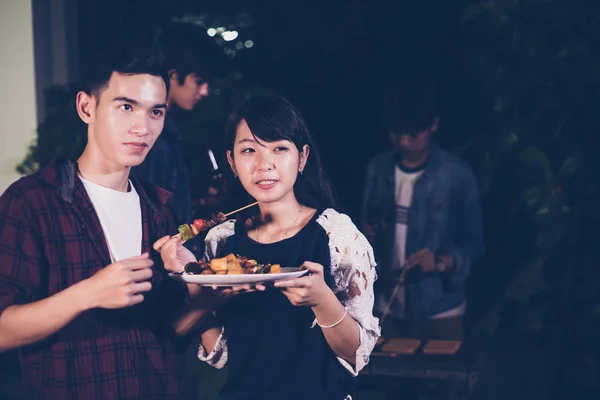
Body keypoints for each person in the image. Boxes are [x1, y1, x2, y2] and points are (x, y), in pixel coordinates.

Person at [154, 92, 381, 399]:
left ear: (301, 157)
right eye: (249, 150)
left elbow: (355, 354)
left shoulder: (336, 235)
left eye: (279, 149)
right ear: (232, 162)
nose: (264, 164)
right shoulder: (221, 240)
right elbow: (221, 356)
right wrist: (189, 273)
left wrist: (321, 299)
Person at [0, 42, 189, 399]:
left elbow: (168, 332)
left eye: (156, 112)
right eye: (126, 107)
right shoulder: (31, 202)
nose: (142, 127)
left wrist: (208, 293)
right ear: (87, 107)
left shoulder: (159, 211)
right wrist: (87, 294)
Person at [361, 79, 485, 340]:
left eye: (413, 133)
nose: (404, 141)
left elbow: (474, 244)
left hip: (440, 310)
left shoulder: (457, 175)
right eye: (397, 132)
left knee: (437, 377)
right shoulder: (378, 168)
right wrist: (366, 236)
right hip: (386, 304)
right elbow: (368, 229)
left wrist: (440, 262)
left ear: (433, 125)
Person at [131, 21, 221, 228]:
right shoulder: (154, 136)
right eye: (199, 81)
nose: (205, 91)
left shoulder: (167, 132)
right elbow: (152, 217)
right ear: (171, 75)